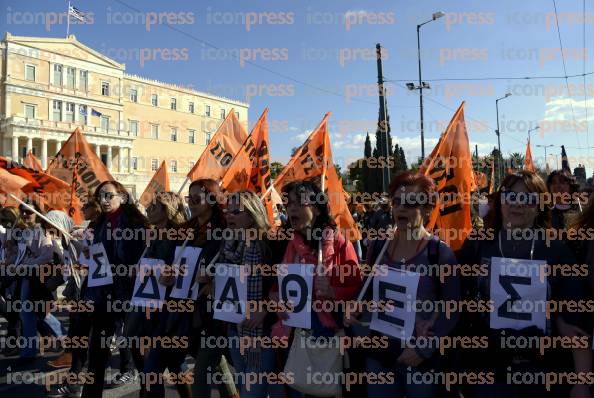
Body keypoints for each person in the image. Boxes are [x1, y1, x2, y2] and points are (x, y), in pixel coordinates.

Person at [457, 170, 591, 398]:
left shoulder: (557, 250)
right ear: (500, 201)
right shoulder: (479, 244)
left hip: (544, 369)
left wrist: (582, 383)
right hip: (490, 369)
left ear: (540, 205)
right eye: (511, 196)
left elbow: (575, 320)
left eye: (528, 198)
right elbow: (452, 295)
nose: (518, 204)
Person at [345, 171, 461, 397]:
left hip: (418, 358)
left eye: (410, 203)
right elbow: (365, 292)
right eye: (397, 201)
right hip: (379, 354)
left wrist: (423, 349)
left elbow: (452, 307)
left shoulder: (439, 253)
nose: (401, 208)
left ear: (428, 209)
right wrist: (354, 309)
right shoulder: (378, 247)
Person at [277, 180, 362, 398]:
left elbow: (357, 289)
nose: (291, 209)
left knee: (319, 393)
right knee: (296, 389)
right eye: (288, 204)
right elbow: (279, 285)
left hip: (326, 333)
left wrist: (334, 292)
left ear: (315, 207)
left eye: (298, 203)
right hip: (295, 331)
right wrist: (277, 300)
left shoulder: (341, 244)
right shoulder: (289, 244)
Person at [79, 181, 148, 398]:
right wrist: (91, 254)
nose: (104, 200)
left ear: (122, 197)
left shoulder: (138, 224)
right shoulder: (97, 224)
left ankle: (149, 391)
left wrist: (135, 267)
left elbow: (147, 255)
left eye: (109, 195)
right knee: (97, 350)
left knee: (138, 351)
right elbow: (98, 256)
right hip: (103, 294)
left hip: (131, 293)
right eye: (101, 196)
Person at [213, 191, 278, 398]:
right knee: (244, 387)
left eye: (236, 212)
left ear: (251, 214)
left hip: (260, 333)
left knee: (253, 392)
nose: (229, 216)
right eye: (227, 211)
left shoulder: (268, 244)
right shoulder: (226, 243)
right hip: (235, 328)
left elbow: (283, 288)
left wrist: (266, 308)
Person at [141, 191, 191, 398]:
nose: (147, 210)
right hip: (152, 306)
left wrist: (173, 276)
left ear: (167, 209)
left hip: (170, 309)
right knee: (174, 363)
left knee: (152, 369)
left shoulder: (179, 237)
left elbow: (187, 270)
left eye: (153, 207)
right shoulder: (153, 235)